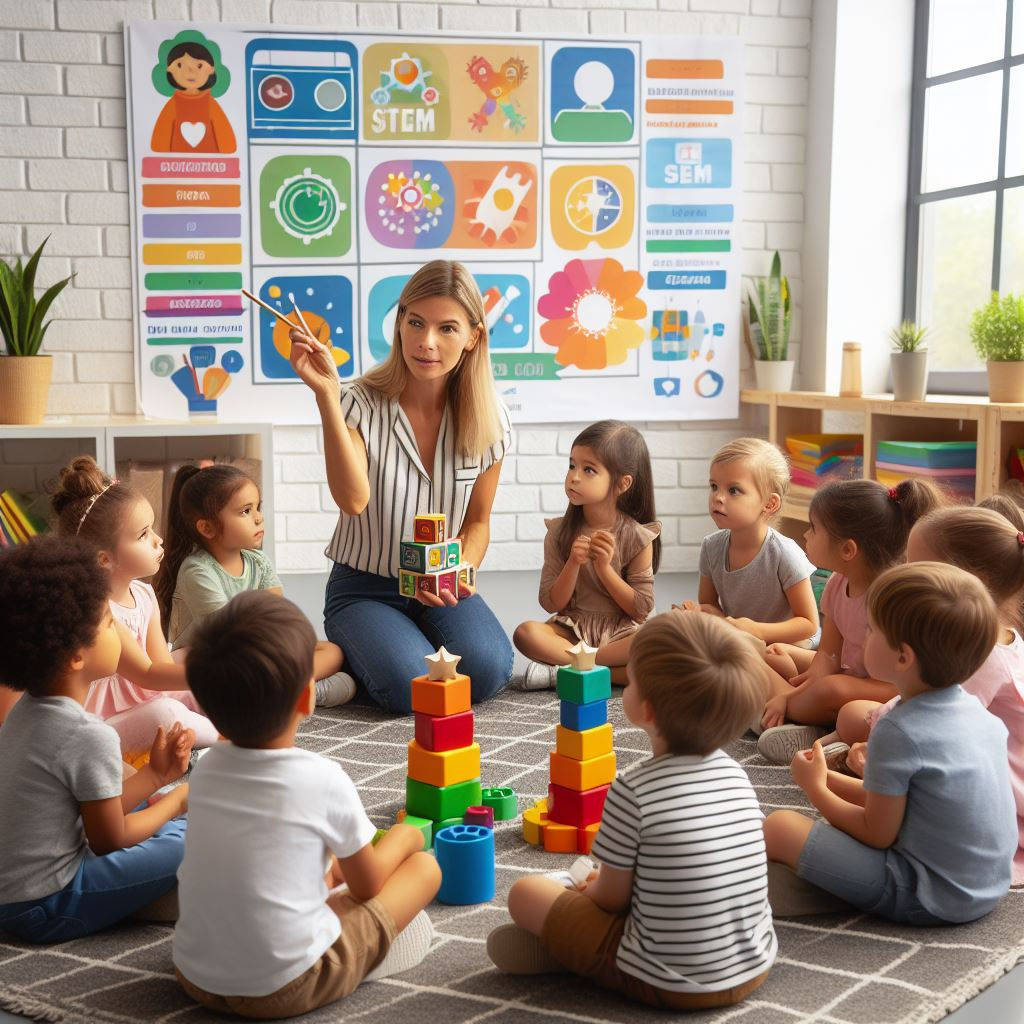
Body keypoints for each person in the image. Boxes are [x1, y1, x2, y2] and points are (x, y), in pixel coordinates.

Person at [487, 612, 776, 1009]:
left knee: (526, 893)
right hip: (754, 964)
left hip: (668, 983)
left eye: (633, 679)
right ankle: (571, 943)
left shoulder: (633, 789)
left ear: (647, 710)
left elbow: (610, 899)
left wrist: (592, 886)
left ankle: (572, 954)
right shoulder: (737, 776)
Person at [173, 591, 440, 1019]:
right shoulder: (322, 778)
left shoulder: (204, 770)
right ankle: (365, 956)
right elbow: (368, 885)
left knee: (322, 859)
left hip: (195, 975)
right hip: (285, 987)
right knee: (425, 869)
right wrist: (406, 838)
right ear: (306, 696)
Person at [288, 259, 514, 713]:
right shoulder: (358, 402)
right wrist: (327, 397)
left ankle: (378, 651)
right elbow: (353, 500)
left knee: (490, 670)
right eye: (415, 322)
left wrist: (458, 573)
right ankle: (363, 653)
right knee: (412, 687)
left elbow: (478, 523)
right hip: (364, 586)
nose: (426, 342)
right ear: (400, 324)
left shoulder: (492, 419)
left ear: (473, 337)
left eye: (447, 328)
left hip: (443, 583)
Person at [764, 562, 1017, 924]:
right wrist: (828, 778)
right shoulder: (978, 714)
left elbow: (877, 831)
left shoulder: (898, 730)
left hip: (927, 895)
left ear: (903, 656)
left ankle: (822, 892)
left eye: (869, 630)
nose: (863, 638)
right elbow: (905, 802)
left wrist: (815, 789)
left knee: (779, 827)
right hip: (987, 886)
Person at [0, 537, 191, 943]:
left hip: (11, 895)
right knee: (191, 834)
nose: (119, 631)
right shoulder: (89, 735)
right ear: (75, 657)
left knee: (149, 803)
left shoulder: (23, 714)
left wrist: (155, 777)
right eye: (108, 623)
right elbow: (109, 839)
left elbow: (90, 806)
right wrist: (178, 800)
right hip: (48, 904)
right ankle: (157, 894)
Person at [834, 506, 1024, 886]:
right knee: (857, 716)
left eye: (913, 564)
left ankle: (854, 768)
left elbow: (929, 721)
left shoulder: (983, 658)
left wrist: (875, 751)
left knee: (862, 721)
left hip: (1001, 785)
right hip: (962, 741)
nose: (902, 572)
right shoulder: (989, 639)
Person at [756, 478, 944, 764]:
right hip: (853, 669)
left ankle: (792, 714)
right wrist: (809, 678)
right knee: (777, 651)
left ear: (847, 550)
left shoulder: (889, 597)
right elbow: (828, 656)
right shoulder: (836, 583)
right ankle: (799, 714)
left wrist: (790, 698)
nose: (806, 535)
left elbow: (897, 677)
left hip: (890, 686)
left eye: (814, 529)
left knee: (834, 691)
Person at [48, 455, 218, 763]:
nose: (159, 540)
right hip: (103, 722)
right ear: (104, 559)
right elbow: (149, 674)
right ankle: (223, 740)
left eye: (152, 529)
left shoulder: (144, 593)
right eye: (143, 535)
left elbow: (162, 663)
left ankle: (235, 721)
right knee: (166, 713)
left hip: (146, 694)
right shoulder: (98, 609)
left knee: (195, 664)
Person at [155, 462, 354, 708]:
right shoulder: (196, 570)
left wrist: (279, 647)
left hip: (256, 650)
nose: (259, 518)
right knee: (181, 666)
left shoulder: (258, 561)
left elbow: (276, 613)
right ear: (207, 527)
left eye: (257, 508)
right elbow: (226, 631)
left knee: (332, 651)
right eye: (245, 511)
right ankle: (293, 690)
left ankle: (277, 689)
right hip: (215, 655)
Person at [513, 420, 661, 689]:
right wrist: (573, 563)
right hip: (573, 631)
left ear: (623, 483)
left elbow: (641, 609)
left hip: (621, 634)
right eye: (572, 465)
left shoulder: (637, 537)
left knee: (661, 635)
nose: (574, 476)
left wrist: (605, 569)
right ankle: (600, 672)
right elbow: (550, 602)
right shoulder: (559, 533)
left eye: (589, 469)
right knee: (526, 633)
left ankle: (567, 671)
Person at [678, 438, 818, 650]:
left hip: (789, 644)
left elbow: (808, 624)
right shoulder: (711, 547)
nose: (718, 497)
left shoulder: (785, 553)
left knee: (768, 657)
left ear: (769, 504)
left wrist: (757, 631)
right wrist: (699, 612)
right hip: (744, 640)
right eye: (714, 486)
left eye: (733, 490)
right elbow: (713, 609)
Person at [150, 38, 236, 153]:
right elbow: (159, 143)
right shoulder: (173, 105)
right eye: (180, 65)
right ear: (170, 69)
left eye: (199, 66)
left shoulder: (211, 104)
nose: (190, 72)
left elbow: (228, 143)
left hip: (211, 166)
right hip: (177, 166)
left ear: (211, 70)